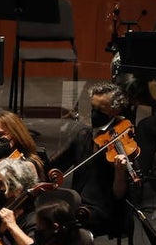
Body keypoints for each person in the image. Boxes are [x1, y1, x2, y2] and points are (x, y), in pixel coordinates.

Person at [49, 81, 136, 237]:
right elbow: (56, 164)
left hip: (103, 209)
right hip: (77, 202)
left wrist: (119, 171)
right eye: (92, 108)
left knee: (62, 226)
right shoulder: (84, 135)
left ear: (114, 111)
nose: (94, 114)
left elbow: (119, 195)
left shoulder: (123, 143)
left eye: (100, 110)